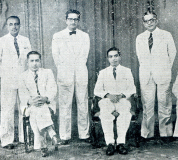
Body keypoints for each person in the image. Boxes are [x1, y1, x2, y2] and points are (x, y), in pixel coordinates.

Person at [136, 11, 176, 140]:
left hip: (163, 73)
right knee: (147, 104)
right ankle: (147, 133)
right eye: (146, 21)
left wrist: (164, 68)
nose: (149, 23)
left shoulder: (166, 35)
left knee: (164, 102)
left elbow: (172, 54)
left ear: (156, 20)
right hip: (146, 74)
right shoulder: (140, 37)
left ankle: (166, 133)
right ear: (143, 23)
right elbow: (140, 57)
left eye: (152, 20)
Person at [52, 9, 90, 144]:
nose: (73, 21)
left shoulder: (85, 36)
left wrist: (76, 68)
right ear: (66, 20)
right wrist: (65, 70)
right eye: (70, 19)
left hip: (80, 73)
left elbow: (83, 56)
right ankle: (64, 136)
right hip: (65, 74)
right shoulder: (57, 36)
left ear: (78, 21)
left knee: (83, 103)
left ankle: (84, 134)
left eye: (75, 19)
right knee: (64, 105)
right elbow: (56, 57)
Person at [94, 47, 136, 156]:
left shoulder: (127, 71)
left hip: (122, 99)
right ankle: (110, 143)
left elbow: (132, 89)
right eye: (111, 56)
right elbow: (97, 90)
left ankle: (121, 143)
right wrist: (108, 95)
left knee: (125, 114)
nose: (114, 59)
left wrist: (122, 95)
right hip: (107, 100)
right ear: (108, 59)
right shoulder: (103, 72)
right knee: (105, 114)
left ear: (120, 56)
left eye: (116, 56)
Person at [19, 51, 60, 157]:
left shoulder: (47, 72)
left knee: (38, 111)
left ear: (40, 61)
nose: (34, 63)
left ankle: (43, 147)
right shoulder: (23, 76)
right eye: (31, 61)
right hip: (30, 105)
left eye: (37, 60)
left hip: (46, 103)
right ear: (27, 62)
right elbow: (22, 93)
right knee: (35, 110)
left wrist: (45, 98)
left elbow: (53, 89)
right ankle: (52, 133)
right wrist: (30, 101)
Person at [0, 16, 32, 149]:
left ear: (20, 25)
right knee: (7, 109)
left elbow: (30, 60)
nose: (14, 27)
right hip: (8, 80)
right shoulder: (1, 41)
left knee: (24, 107)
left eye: (16, 24)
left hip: (23, 80)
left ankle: (24, 138)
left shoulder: (25, 40)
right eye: (11, 24)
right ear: (7, 26)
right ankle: (6, 139)